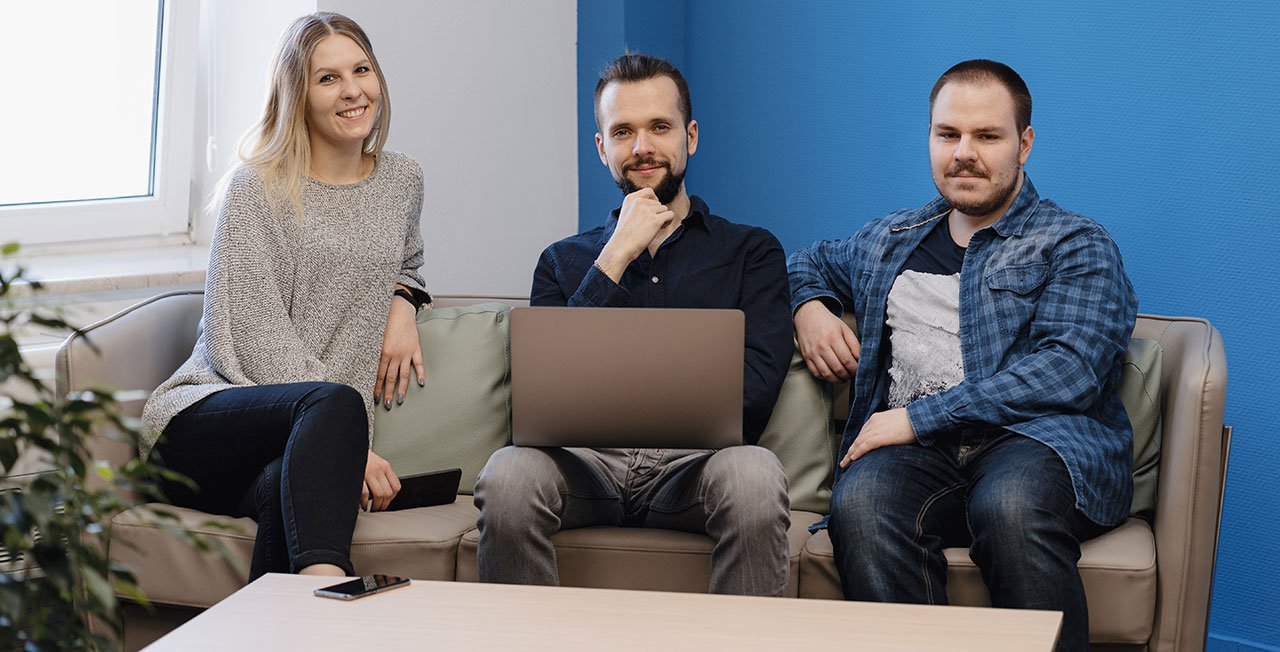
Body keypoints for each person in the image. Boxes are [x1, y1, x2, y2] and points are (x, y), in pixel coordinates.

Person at [788, 59, 1137, 651]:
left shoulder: (1074, 243)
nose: (963, 153)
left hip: (1033, 444)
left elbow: (1070, 368)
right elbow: (808, 262)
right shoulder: (889, 240)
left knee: (1010, 506)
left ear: (1024, 144)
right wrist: (810, 308)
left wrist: (918, 417)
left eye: (987, 136)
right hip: (917, 458)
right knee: (862, 505)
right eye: (947, 134)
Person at [472, 53, 794, 596]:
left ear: (691, 136)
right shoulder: (560, 262)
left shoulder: (751, 252)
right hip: (583, 467)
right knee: (507, 475)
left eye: (659, 127)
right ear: (603, 149)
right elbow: (545, 393)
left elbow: (755, 393)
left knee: (755, 476)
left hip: (698, 469)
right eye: (623, 132)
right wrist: (615, 257)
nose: (642, 146)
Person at [140, 12, 432, 580]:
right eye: (328, 78)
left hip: (294, 442)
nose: (352, 91)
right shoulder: (257, 188)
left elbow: (408, 259)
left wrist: (403, 301)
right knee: (334, 404)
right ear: (296, 94)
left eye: (361, 70)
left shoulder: (403, 180)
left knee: (286, 486)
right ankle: (331, 596)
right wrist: (344, 443)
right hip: (200, 425)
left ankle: (307, 611)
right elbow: (253, 338)